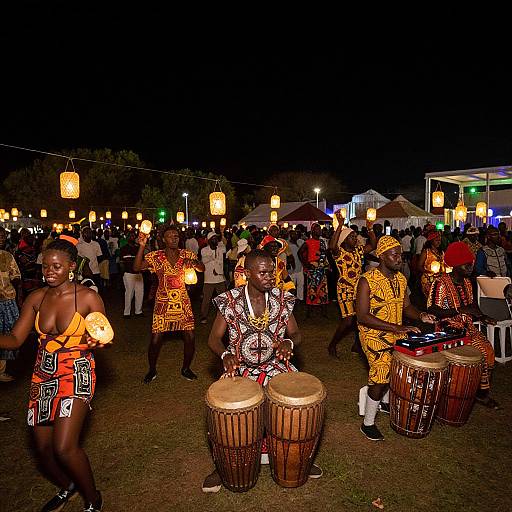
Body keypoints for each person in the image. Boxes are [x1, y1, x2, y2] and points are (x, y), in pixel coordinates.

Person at [0, 236, 107, 511]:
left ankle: (93, 499)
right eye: (45, 266)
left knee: (64, 447)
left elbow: (103, 334)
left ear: (72, 266)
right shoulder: (37, 298)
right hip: (43, 374)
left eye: (57, 266)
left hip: (77, 372)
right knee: (44, 450)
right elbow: (14, 339)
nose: (49, 272)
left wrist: (97, 341)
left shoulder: (88, 297)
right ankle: (67, 486)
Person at [202, 249, 321, 493]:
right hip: (240, 366)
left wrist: (290, 342)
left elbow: (296, 333)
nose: (270, 277)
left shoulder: (282, 299)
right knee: (226, 410)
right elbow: (214, 339)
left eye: (272, 271)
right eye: (263, 272)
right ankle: (224, 464)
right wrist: (226, 355)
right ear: (247, 274)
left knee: (296, 403)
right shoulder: (230, 300)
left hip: (274, 363)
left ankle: (296, 458)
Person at [355, 236, 436, 441]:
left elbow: (405, 306)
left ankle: (382, 402)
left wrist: (420, 315)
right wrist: (397, 327)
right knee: (381, 373)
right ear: (382, 256)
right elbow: (362, 315)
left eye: (400, 253)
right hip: (372, 334)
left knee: (395, 369)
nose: (400, 258)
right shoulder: (366, 280)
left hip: (394, 331)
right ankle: (368, 424)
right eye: (394, 254)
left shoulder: (400, 278)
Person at [427, 241, 499, 409]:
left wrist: (482, 316)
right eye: (466, 263)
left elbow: (472, 307)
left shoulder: (467, 282)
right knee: (479, 351)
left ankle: (481, 392)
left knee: (488, 351)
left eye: (471, 262)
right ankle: (468, 392)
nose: (470, 266)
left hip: (467, 327)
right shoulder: (441, 283)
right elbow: (433, 310)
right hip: (447, 329)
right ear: (455, 265)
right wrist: (460, 309)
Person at [133, 225, 205, 383]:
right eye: (170, 236)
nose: (174, 238)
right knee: (156, 339)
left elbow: (201, 268)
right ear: (163, 239)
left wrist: (194, 262)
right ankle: (151, 370)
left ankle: (186, 369)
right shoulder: (156, 256)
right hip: (163, 302)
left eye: (176, 235)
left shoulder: (187, 254)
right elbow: (136, 267)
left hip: (182, 301)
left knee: (190, 337)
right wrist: (142, 246)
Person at [328, 211, 376, 358]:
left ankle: (357, 345)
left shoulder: (358, 251)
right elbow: (331, 245)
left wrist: (370, 228)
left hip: (358, 289)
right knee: (348, 320)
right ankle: (332, 345)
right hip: (344, 288)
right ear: (344, 239)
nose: (355, 239)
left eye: (355, 236)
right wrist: (341, 226)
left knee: (360, 317)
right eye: (352, 237)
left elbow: (373, 244)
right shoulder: (339, 252)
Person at [0, 226, 22, 382]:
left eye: (3, 236)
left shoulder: (7, 256)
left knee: (8, 333)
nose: (1, 239)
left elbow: (17, 276)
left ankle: (1, 370)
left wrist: (12, 283)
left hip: (7, 300)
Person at [298, 223, 330, 317]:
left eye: (319, 229)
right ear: (312, 231)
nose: (319, 230)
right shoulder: (308, 242)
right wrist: (306, 264)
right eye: (317, 229)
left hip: (321, 267)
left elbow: (325, 255)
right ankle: (309, 311)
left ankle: (324, 311)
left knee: (323, 289)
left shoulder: (323, 242)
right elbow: (300, 252)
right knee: (311, 289)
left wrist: (327, 266)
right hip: (312, 268)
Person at [200, 230, 227, 324]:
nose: (215, 240)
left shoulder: (220, 248)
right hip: (209, 279)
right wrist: (213, 254)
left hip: (220, 278)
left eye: (216, 238)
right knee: (206, 299)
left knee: (223, 298)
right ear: (209, 240)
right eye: (213, 239)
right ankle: (203, 316)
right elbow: (204, 261)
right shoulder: (204, 250)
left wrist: (222, 233)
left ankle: (224, 315)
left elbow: (224, 243)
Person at [120, 230, 144, 318]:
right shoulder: (123, 249)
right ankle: (127, 313)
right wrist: (123, 273)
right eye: (130, 236)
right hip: (128, 273)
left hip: (138, 273)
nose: (132, 237)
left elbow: (142, 261)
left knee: (140, 293)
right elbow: (121, 262)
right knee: (129, 293)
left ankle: (138, 311)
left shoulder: (139, 248)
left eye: (133, 236)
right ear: (127, 237)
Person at [418, 228, 445, 298]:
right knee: (431, 299)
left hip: (440, 279)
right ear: (431, 241)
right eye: (436, 240)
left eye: (439, 240)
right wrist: (429, 271)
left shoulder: (441, 252)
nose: (439, 242)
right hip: (428, 280)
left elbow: (445, 265)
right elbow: (419, 266)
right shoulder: (426, 252)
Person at [77, 227, 104, 292]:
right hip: (85, 273)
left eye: (90, 232)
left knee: (96, 290)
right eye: (86, 232)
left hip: (95, 271)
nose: (88, 234)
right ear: (83, 234)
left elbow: (100, 256)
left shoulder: (96, 244)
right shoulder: (79, 246)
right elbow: (78, 259)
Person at [288, 230, 304, 301]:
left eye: (296, 234)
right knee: (292, 286)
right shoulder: (287, 244)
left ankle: (300, 299)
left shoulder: (301, 242)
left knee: (301, 284)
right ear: (290, 235)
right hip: (291, 269)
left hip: (300, 267)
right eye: (293, 234)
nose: (295, 236)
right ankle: (291, 299)